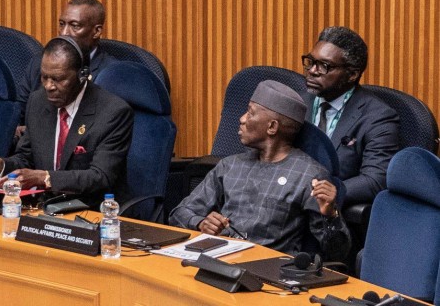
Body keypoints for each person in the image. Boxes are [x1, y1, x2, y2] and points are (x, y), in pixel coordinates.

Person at [170, 80, 350, 259]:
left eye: (250, 113)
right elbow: (178, 214)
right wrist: (200, 222)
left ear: (272, 127)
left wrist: (331, 215)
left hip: (269, 269)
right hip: (218, 260)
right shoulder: (229, 165)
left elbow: (337, 252)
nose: (241, 119)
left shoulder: (309, 175)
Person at [0, 36, 133, 208]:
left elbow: (100, 176)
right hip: (42, 208)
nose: (48, 86)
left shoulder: (113, 112)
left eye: (58, 79)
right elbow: (26, 159)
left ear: (82, 75)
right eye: (44, 77)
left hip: (90, 211)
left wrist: (45, 178)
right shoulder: (38, 101)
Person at [302, 26, 400, 206]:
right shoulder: (297, 101)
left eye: (324, 66)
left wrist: (331, 193)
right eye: (311, 61)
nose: (313, 71)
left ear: (352, 74)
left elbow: (376, 180)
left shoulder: (378, 117)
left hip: (328, 215)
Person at [16, 0, 115, 115]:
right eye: (62, 24)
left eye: (75, 26)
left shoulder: (111, 73)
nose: (64, 33)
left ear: (97, 31)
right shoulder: (40, 62)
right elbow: (18, 110)